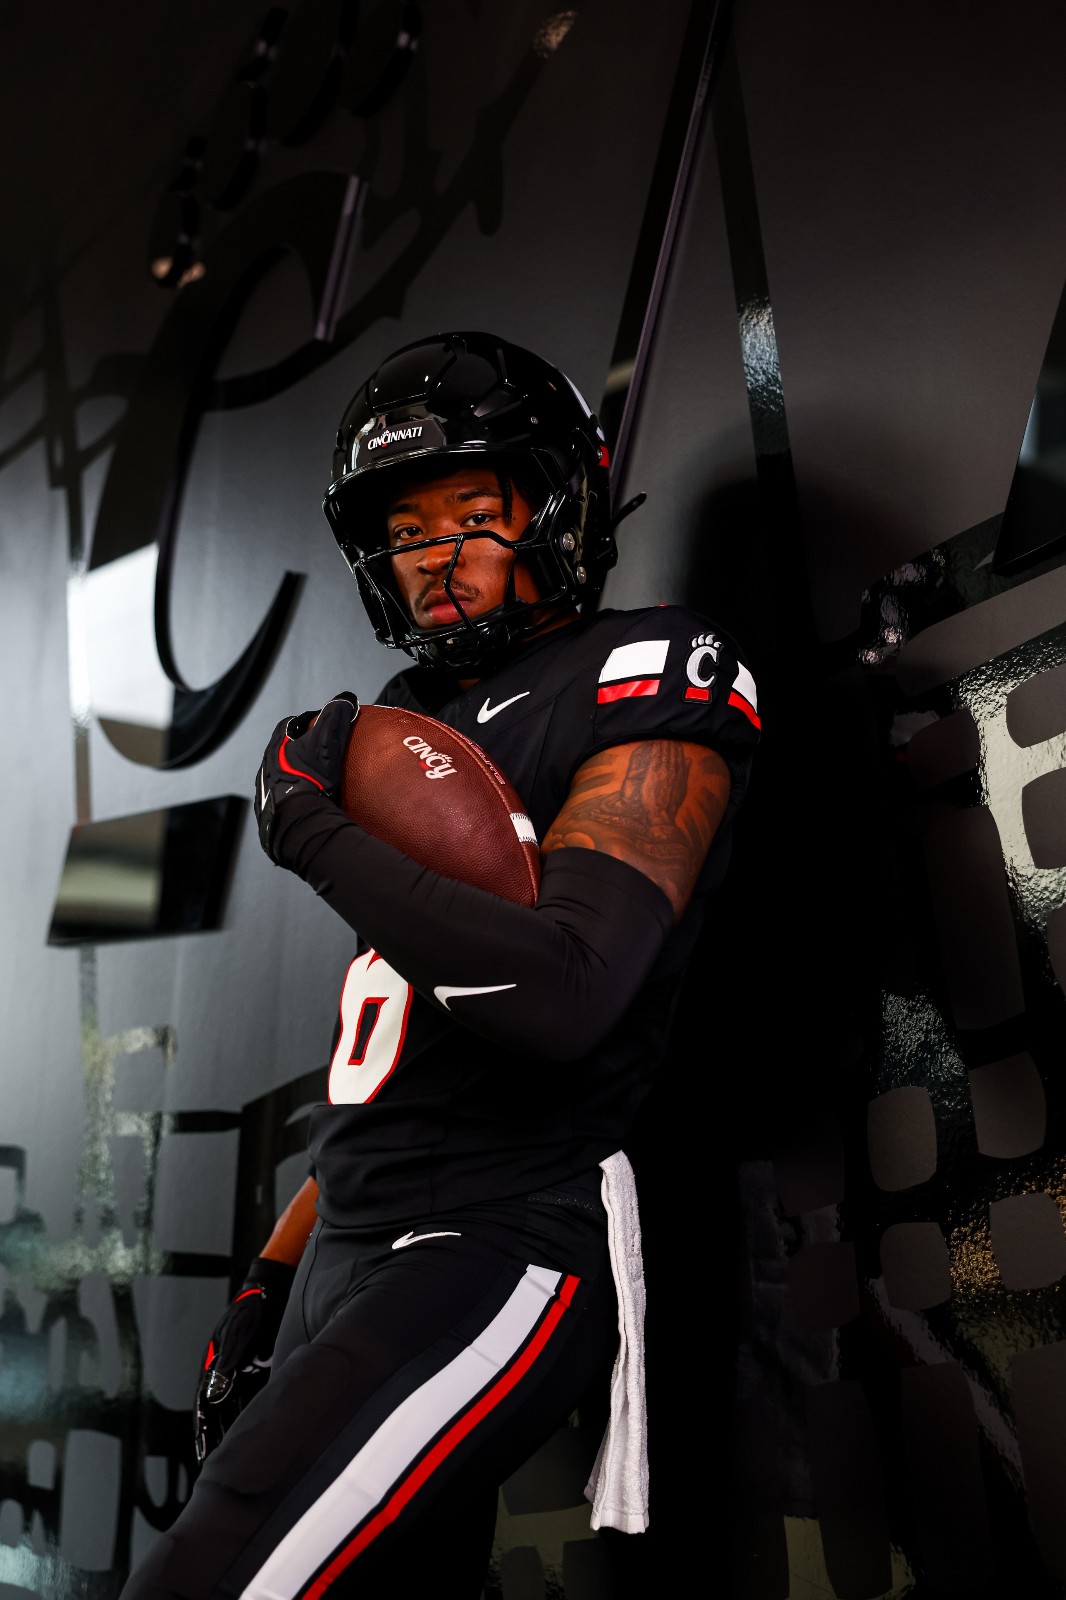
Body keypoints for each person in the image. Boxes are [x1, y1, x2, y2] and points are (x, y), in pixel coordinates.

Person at [120, 331, 760, 1599]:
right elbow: (403, 1050)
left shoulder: (645, 668)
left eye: (474, 514)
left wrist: (311, 831)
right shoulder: (418, 720)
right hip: (349, 1242)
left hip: (494, 1235)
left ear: (558, 504)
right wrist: (275, 1269)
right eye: (407, 532)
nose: (436, 556)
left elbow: (562, 993)